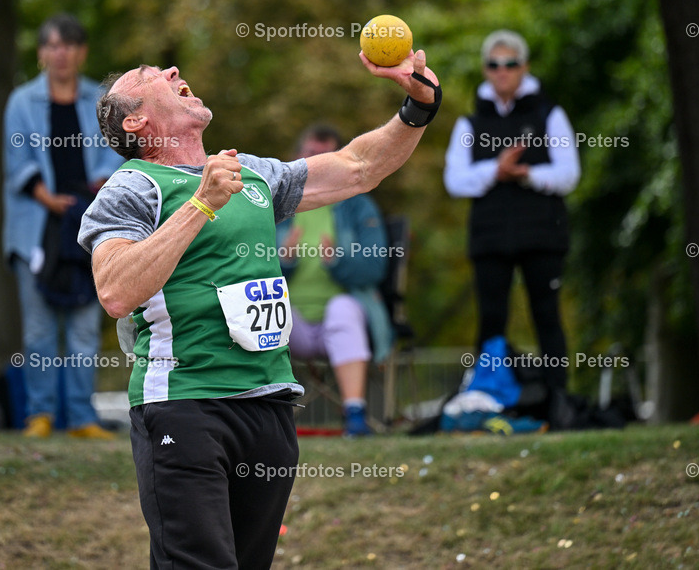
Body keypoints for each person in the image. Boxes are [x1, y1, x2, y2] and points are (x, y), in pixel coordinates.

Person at [78, 49, 441, 568]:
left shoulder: (248, 175)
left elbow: (358, 167)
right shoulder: (133, 186)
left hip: (268, 405)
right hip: (184, 405)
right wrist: (200, 205)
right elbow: (114, 290)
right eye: (152, 76)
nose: (175, 71)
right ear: (135, 120)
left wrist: (418, 107)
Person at [3, 14, 123, 439]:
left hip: (89, 224)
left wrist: (98, 188)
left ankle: (81, 417)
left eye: (69, 45)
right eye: (53, 45)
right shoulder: (20, 102)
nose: (61, 53)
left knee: (85, 327)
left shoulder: (99, 100)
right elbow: (16, 163)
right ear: (41, 53)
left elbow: (117, 150)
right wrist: (46, 198)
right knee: (38, 329)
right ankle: (39, 415)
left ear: (81, 52)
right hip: (36, 228)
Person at [443, 30, 580, 390]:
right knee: (491, 320)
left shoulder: (550, 114)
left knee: (546, 316)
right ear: (486, 70)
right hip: (490, 238)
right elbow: (455, 180)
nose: (502, 71)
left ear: (524, 67)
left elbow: (569, 174)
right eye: (494, 64)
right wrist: (495, 170)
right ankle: (489, 397)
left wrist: (527, 174)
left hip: (543, 234)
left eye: (510, 64)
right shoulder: (469, 123)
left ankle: (558, 400)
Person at [276, 124, 393, 436]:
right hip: (291, 321)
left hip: (344, 321)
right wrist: (283, 260)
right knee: (266, 306)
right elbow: (247, 271)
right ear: (297, 158)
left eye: (327, 155)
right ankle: (266, 421)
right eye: (312, 154)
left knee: (342, 308)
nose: (318, 162)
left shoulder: (359, 205)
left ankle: (355, 416)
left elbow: (376, 267)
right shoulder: (275, 204)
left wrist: (338, 261)